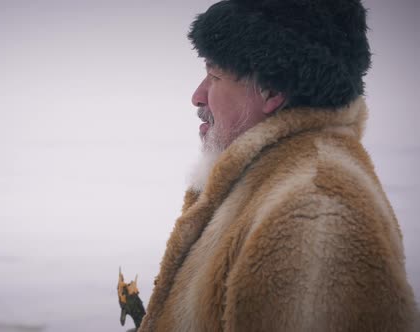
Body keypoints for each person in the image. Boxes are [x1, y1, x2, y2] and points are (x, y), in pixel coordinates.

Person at [138, 0, 418, 331]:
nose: (198, 96)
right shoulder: (271, 181)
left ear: (272, 90)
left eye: (214, 75)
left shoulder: (315, 212)